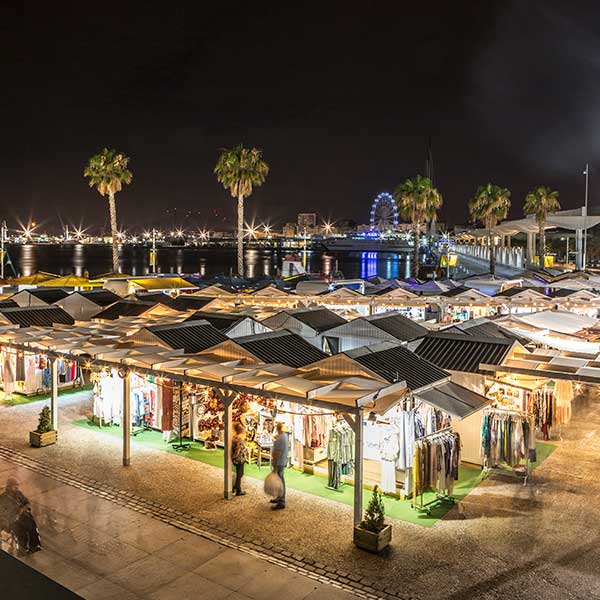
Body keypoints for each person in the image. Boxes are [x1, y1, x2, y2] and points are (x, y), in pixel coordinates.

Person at [270, 422, 289, 509]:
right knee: (280, 480)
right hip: (281, 461)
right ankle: (279, 498)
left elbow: (277, 452)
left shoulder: (280, 438)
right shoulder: (284, 436)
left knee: (280, 481)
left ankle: (281, 501)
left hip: (279, 463)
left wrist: (274, 463)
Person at [231, 421, 248, 496]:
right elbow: (238, 450)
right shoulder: (239, 439)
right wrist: (235, 456)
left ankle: (236, 487)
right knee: (239, 474)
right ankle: (238, 489)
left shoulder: (234, 437)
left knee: (239, 473)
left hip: (238, 459)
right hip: (240, 459)